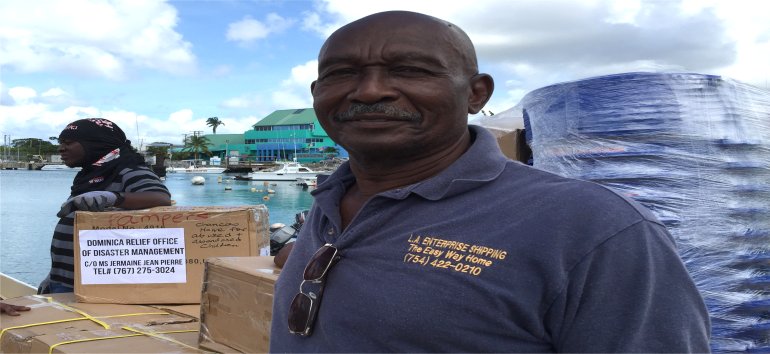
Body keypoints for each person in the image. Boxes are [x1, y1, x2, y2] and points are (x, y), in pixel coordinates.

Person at [270, 10, 711, 353]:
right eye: (342, 73)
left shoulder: (594, 228)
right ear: (316, 94)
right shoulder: (331, 201)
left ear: (476, 93)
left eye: (410, 70)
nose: (369, 91)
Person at [38, 118, 171, 294]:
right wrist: (53, 275)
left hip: (92, 286)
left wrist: (112, 197)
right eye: (61, 143)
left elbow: (160, 197)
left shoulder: (129, 171)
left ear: (96, 144)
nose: (61, 148)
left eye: (69, 143)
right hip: (63, 280)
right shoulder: (89, 175)